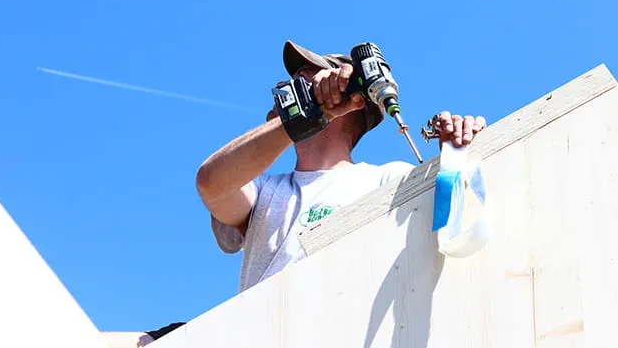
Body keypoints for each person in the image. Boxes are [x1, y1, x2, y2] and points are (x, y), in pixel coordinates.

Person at [195, 41, 486, 293]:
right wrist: (299, 119)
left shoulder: (388, 180)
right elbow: (212, 182)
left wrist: (456, 156)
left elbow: (447, 231)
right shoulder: (263, 192)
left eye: (304, 79)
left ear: (350, 95)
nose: (288, 88)